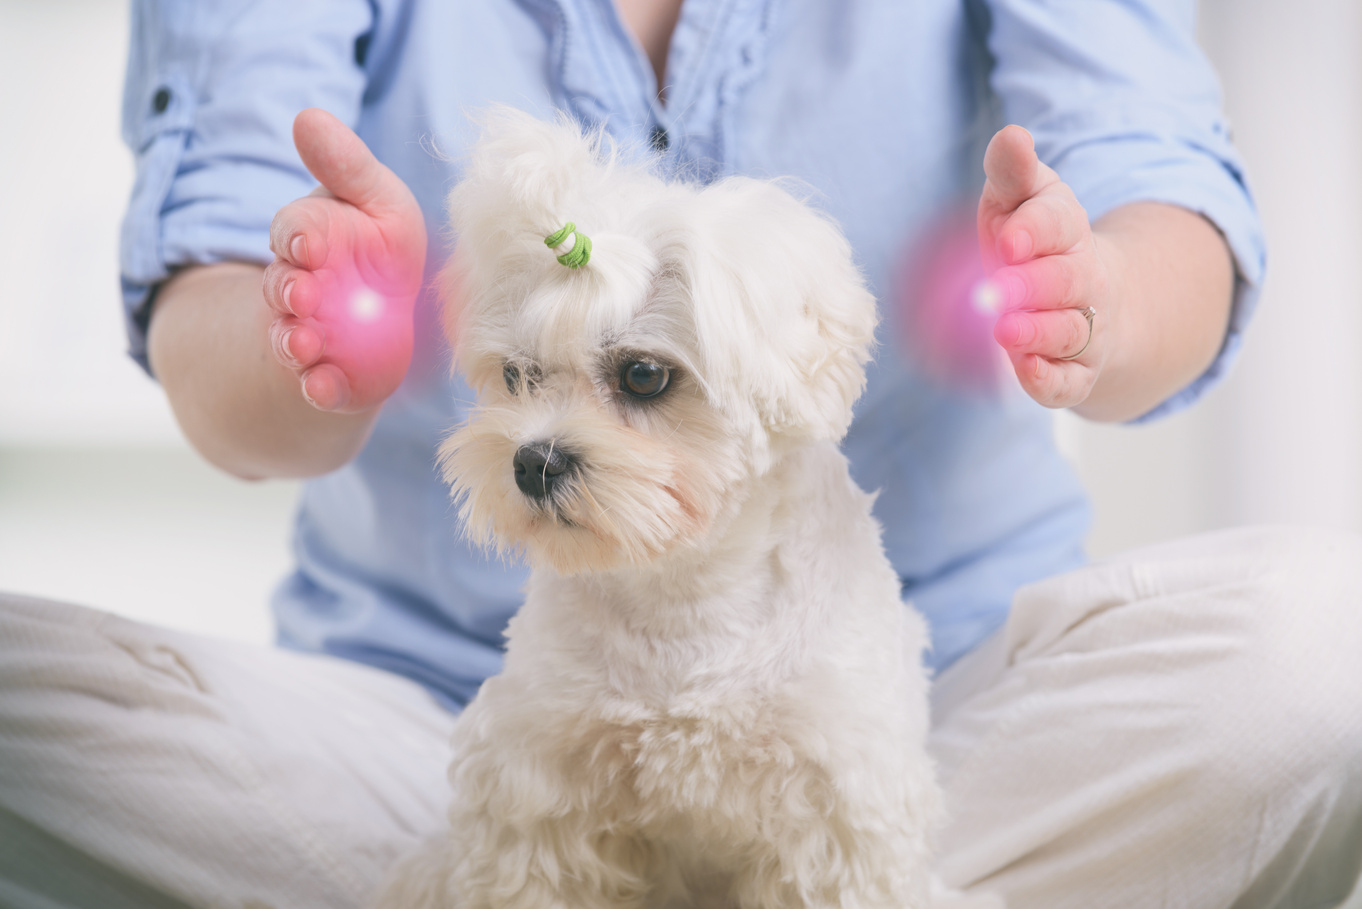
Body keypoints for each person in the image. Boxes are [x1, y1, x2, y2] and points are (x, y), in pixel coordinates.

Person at [1, 1, 1360, 906]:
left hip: (948, 709)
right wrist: (310, 341)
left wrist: (1101, 297)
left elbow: (1158, 181)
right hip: (418, 714)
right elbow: (218, 345)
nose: (546, 435)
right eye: (521, 380)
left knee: (1323, 643)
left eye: (637, 380)